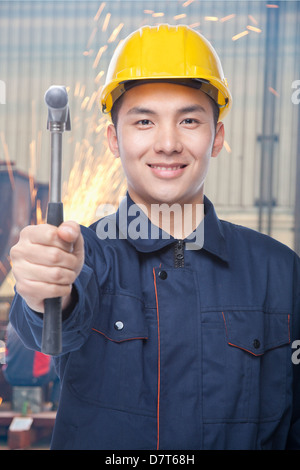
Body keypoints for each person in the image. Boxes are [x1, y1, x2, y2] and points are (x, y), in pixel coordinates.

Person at [8, 24, 300, 450]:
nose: (167, 143)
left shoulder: (279, 271)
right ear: (114, 138)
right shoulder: (84, 258)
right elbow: (46, 323)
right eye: (144, 121)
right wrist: (42, 292)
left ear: (216, 137)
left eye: (189, 120)